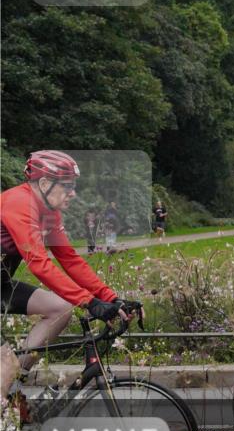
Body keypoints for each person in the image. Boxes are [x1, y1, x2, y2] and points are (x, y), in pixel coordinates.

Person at [0, 151, 139, 397]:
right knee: (4, 364)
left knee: (61, 309)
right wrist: (88, 301)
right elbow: (39, 263)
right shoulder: (18, 203)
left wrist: (109, 297)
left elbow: (70, 260)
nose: (73, 193)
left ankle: (12, 384)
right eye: (67, 186)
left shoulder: (49, 212)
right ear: (44, 184)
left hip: (2, 284)